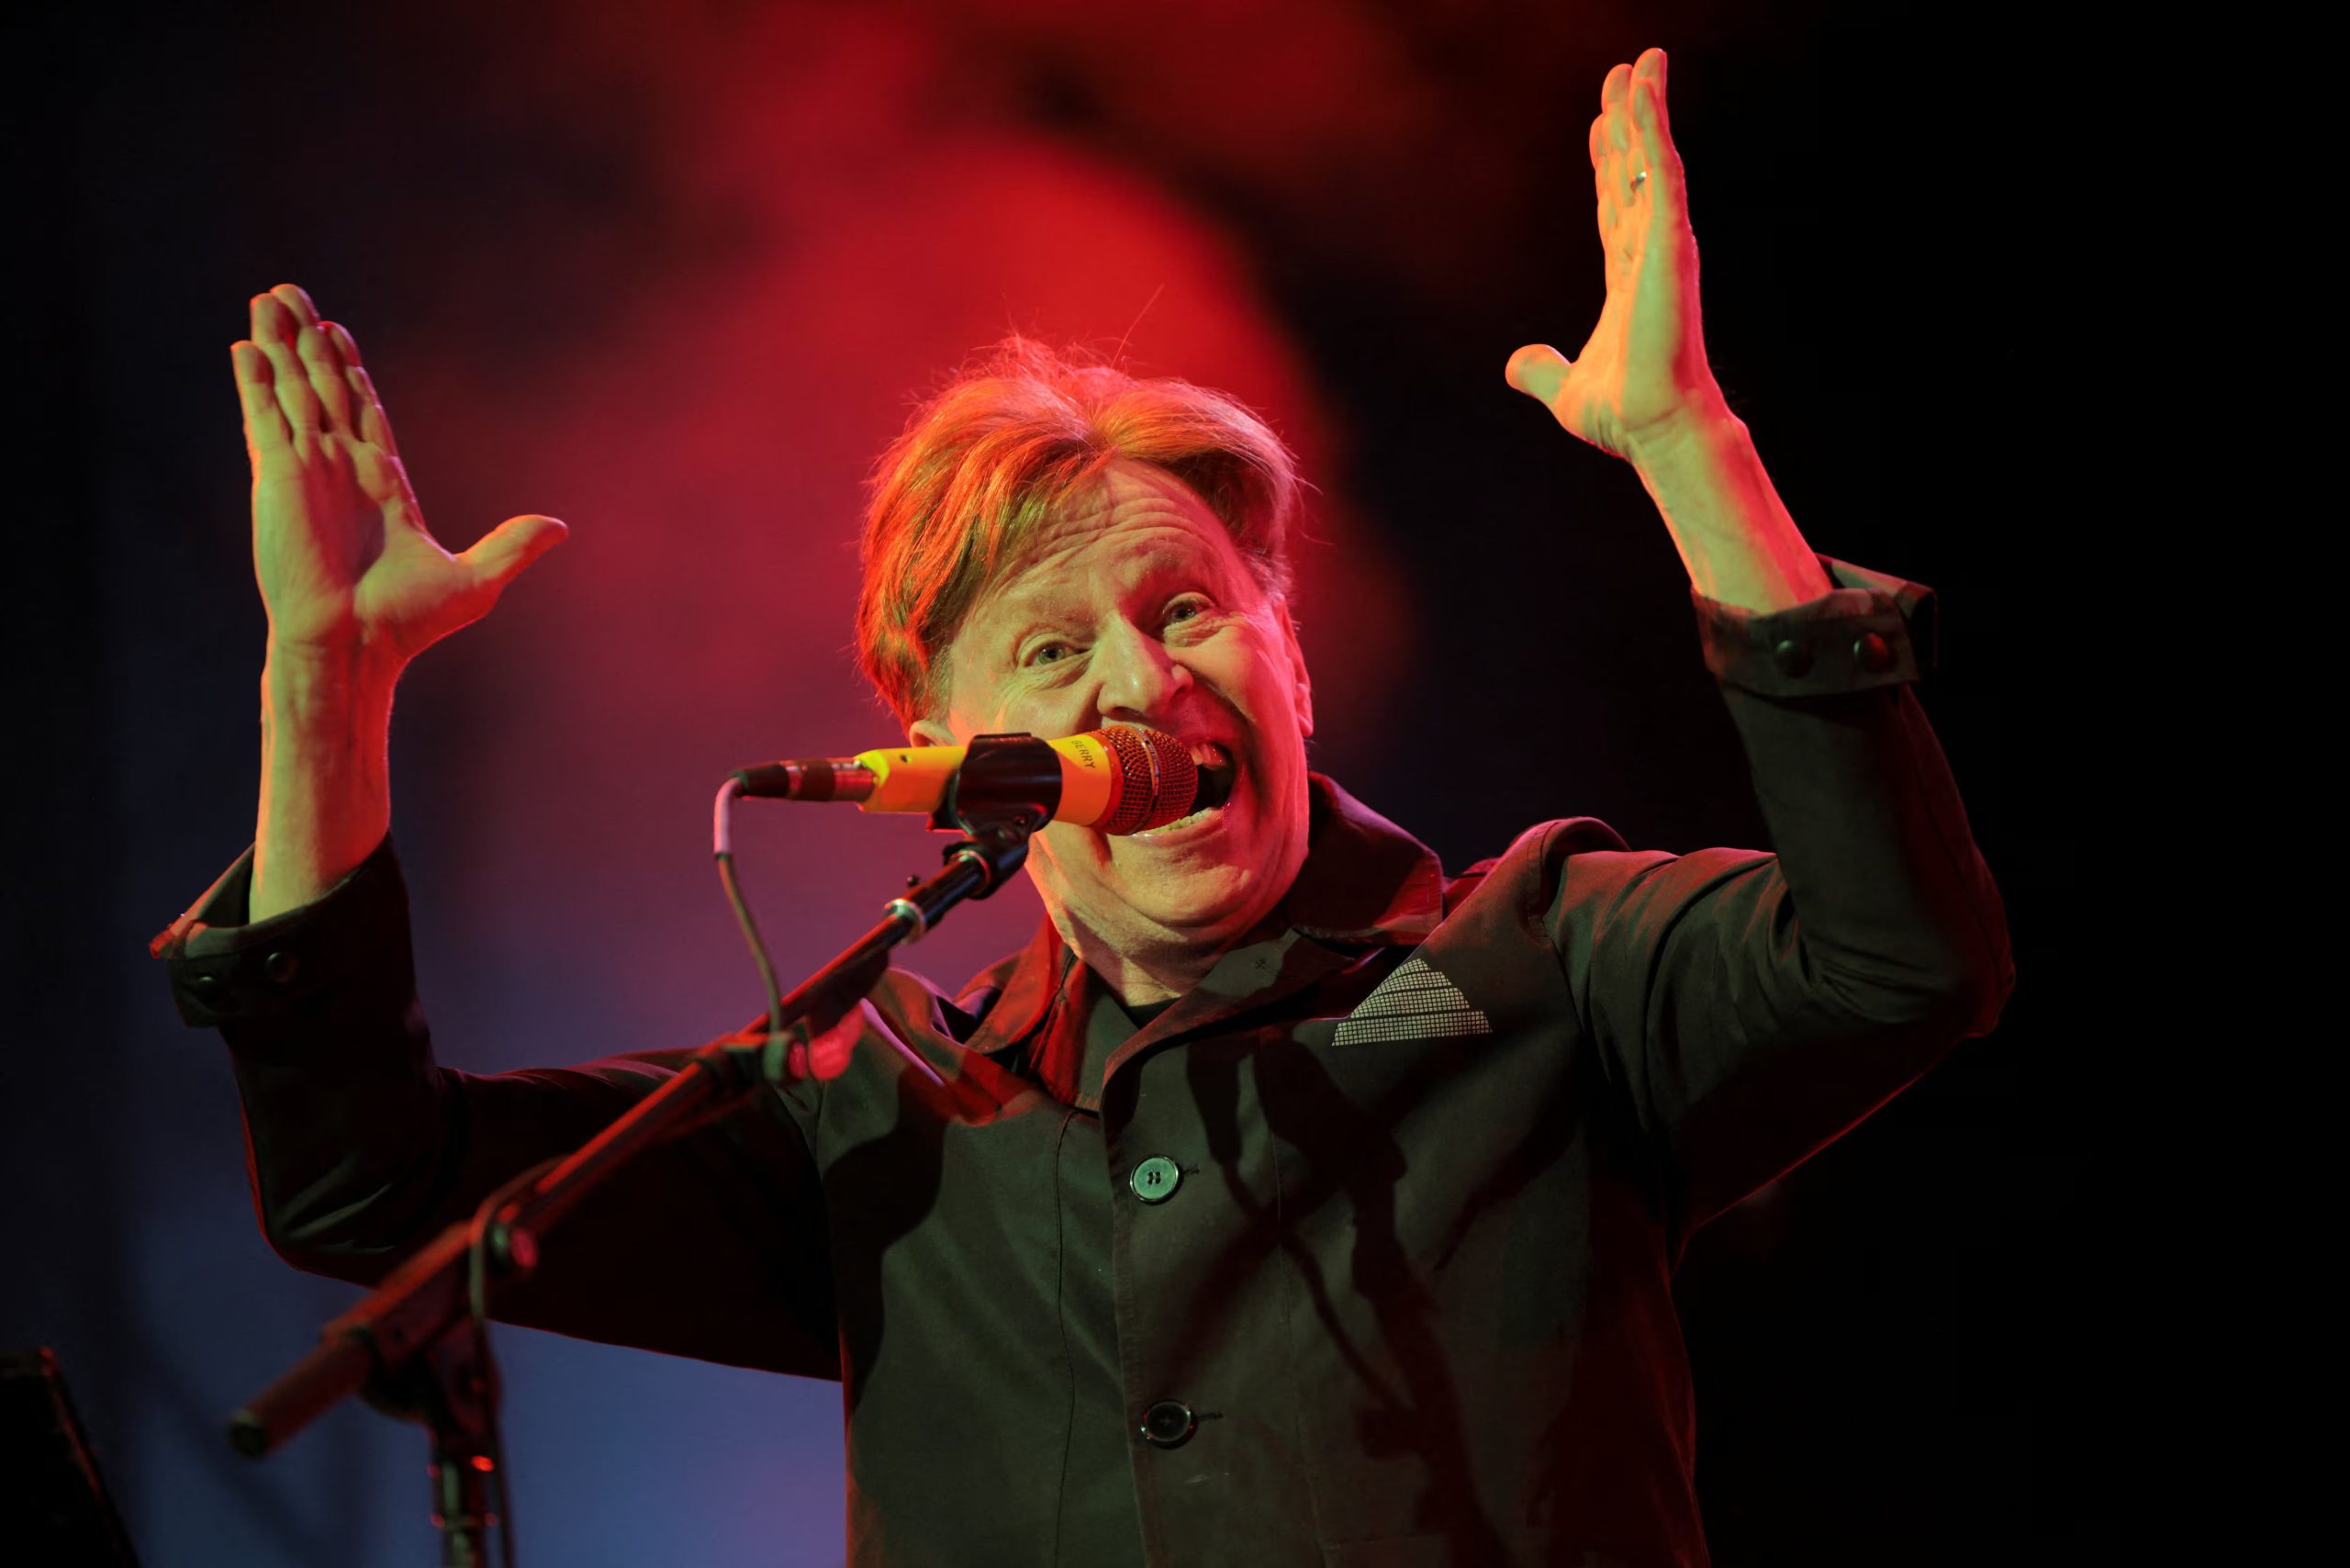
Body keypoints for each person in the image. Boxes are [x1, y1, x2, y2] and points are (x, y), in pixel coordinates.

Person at [154, 48, 2011, 1567]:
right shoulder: (880, 1115)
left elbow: (1895, 954)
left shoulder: (1548, 956)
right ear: (940, 738)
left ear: (1283, 650)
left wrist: (1694, 454)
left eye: (1186, 606)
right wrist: (324, 686)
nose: (1137, 684)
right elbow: (364, 1187)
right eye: (1050, 652)